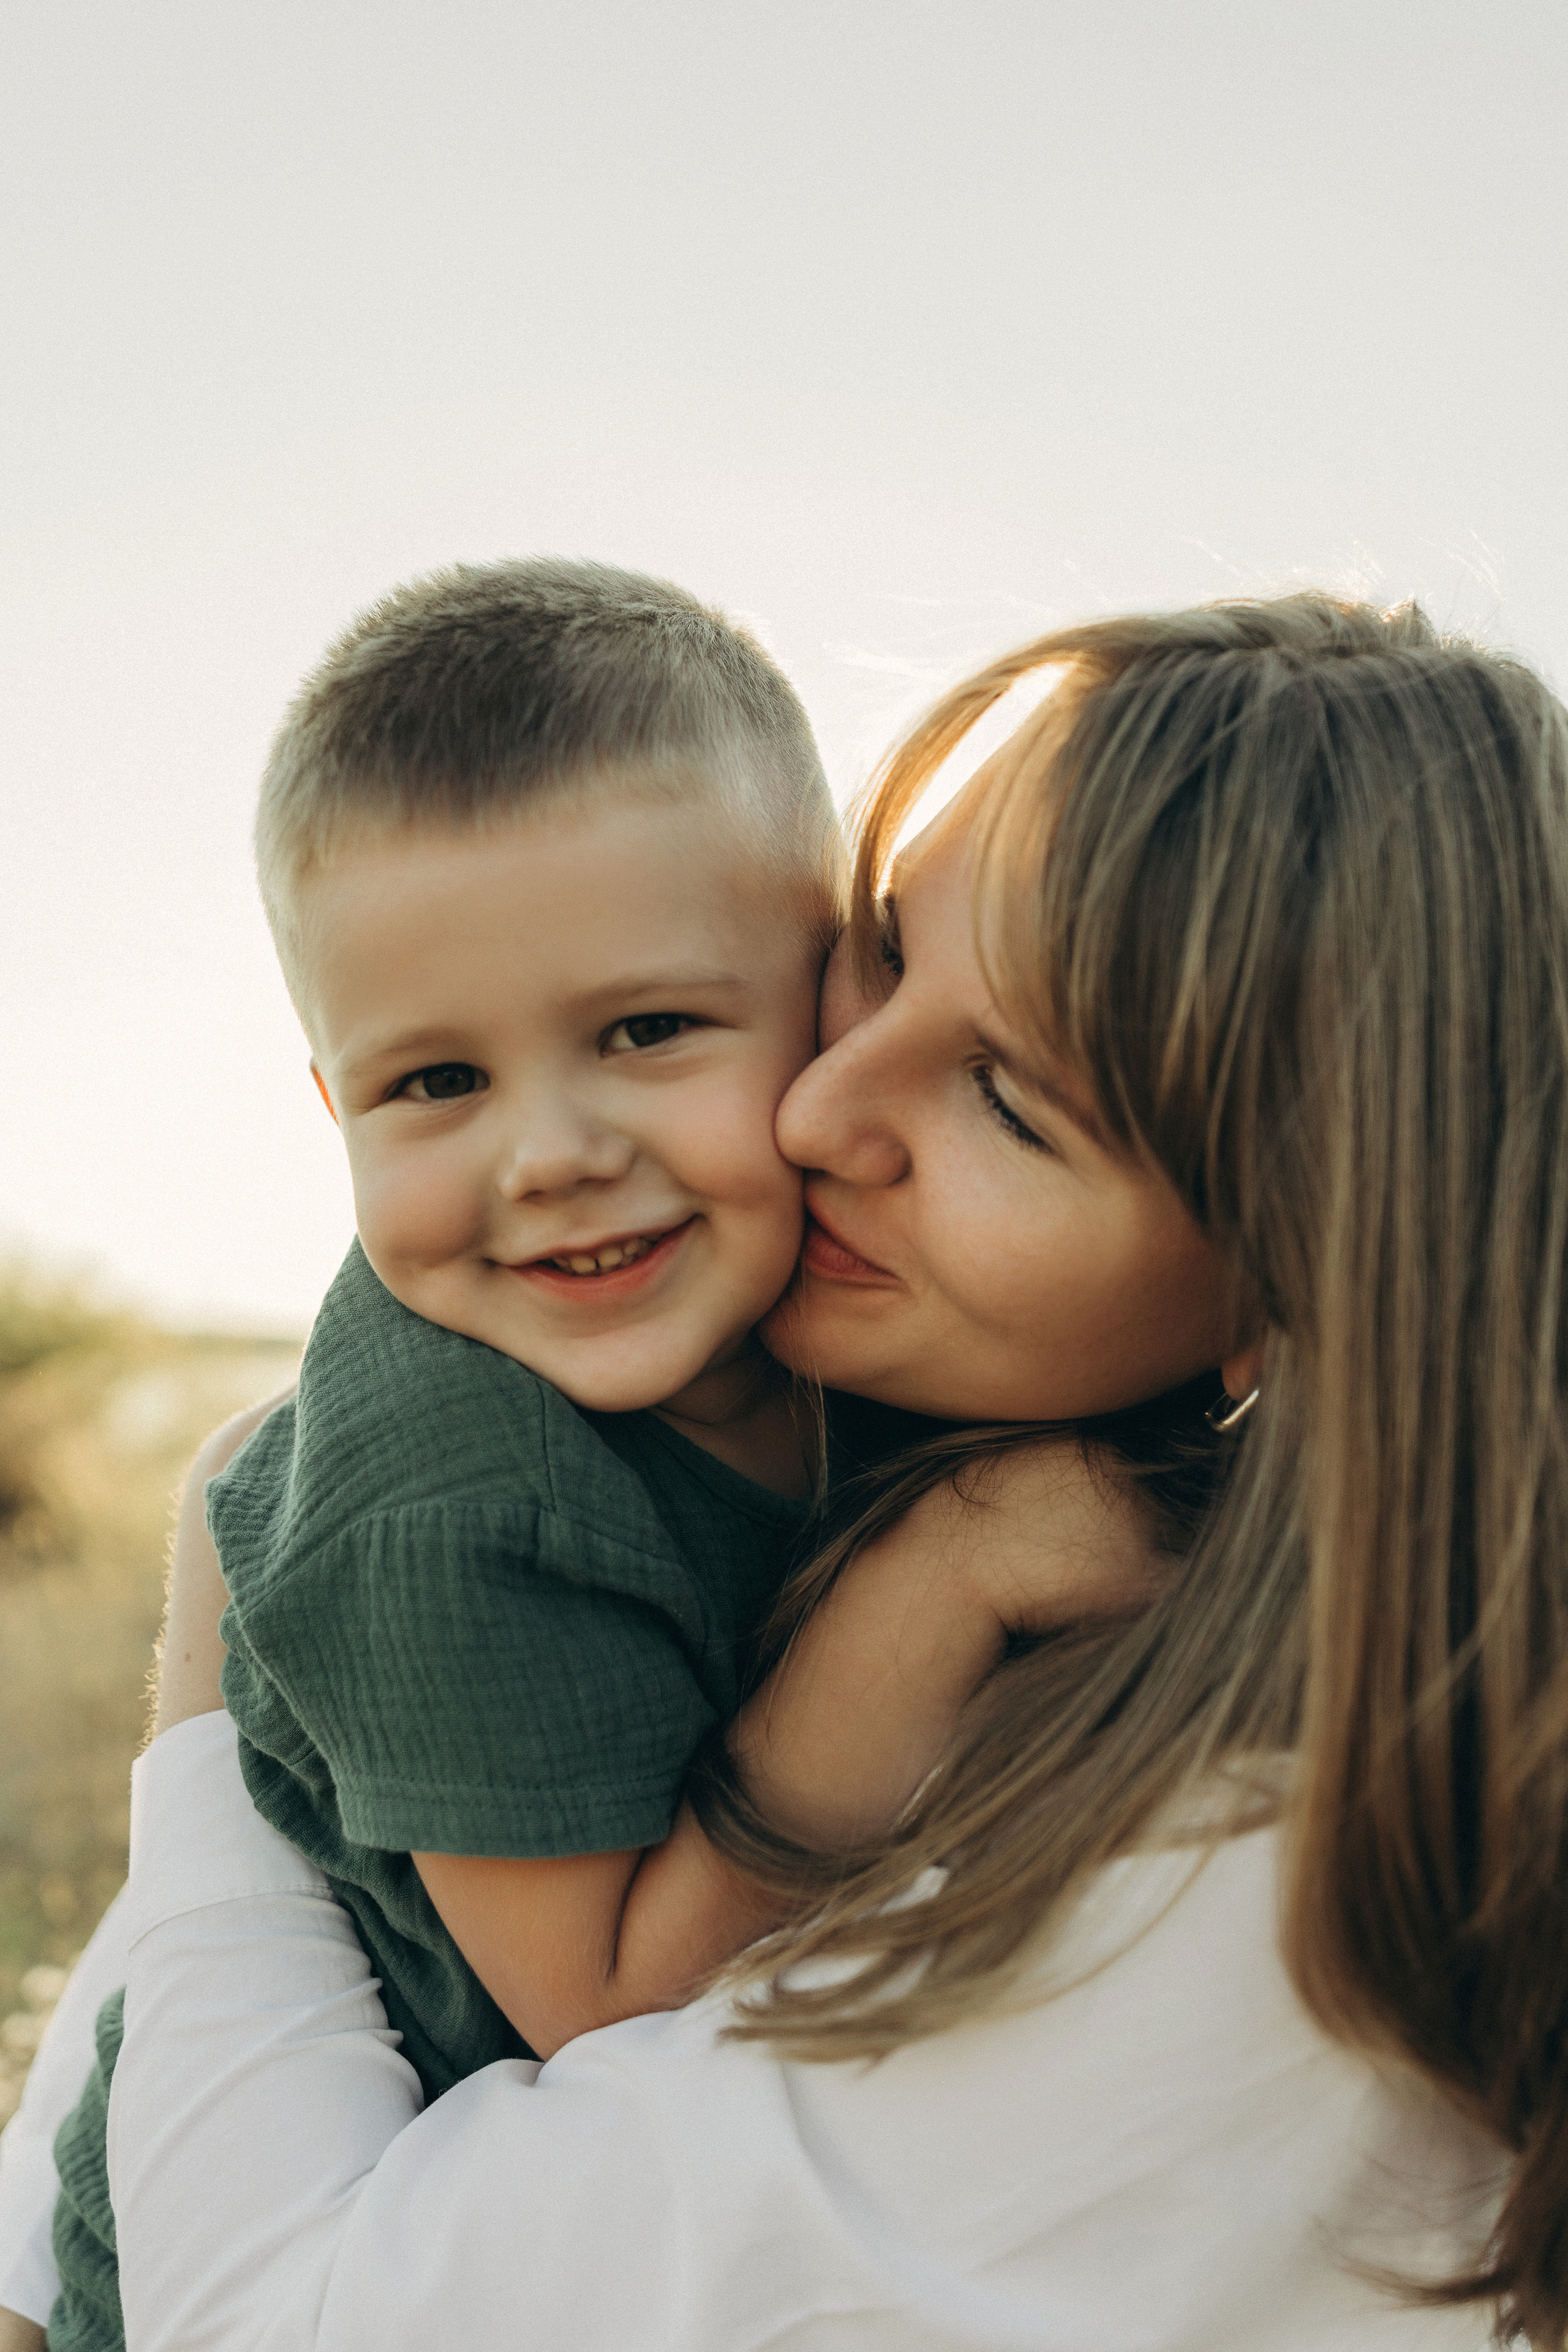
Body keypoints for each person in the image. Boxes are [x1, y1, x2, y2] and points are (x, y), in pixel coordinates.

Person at [12, 589, 1564, 2346]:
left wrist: (200, 1720)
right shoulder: (483, 1466)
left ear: (1304, 1278)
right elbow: (561, 2023)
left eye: (1009, 1097)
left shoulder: (1252, 1868)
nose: (820, 1111)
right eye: (887, 953)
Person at [10, 554, 919, 2351]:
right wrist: (941, 1593)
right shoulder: (447, 1493)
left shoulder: (861, 1319)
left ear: (831, 995)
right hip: (249, 2260)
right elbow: (610, 2014)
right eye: (436, 1084)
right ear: (330, 1103)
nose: (551, 1153)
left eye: (648, 1031)